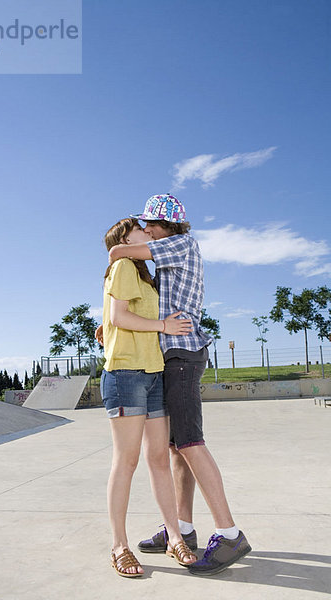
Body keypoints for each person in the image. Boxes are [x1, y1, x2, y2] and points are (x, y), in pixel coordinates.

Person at [108, 194, 251, 576]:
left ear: (167, 226)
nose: (147, 230)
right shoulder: (162, 261)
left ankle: (229, 532)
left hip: (183, 353)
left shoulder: (181, 243)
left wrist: (127, 246)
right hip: (168, 357)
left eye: (151, 224)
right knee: (175, 449)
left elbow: (119, 250)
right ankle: (182, 530)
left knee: (189, 441)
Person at [100, 217, 197, 578]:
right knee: (126, 462)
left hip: (153, 373)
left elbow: (118, 317)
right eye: (140, 230)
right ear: (125, 239)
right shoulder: (124, 264)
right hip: (126, 374)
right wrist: (163, 326)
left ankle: (174, 537)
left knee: (158, 458)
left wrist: (108, 326)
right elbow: (119, 315)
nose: (148, 232)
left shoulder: (143, 275)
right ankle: (119, 546)